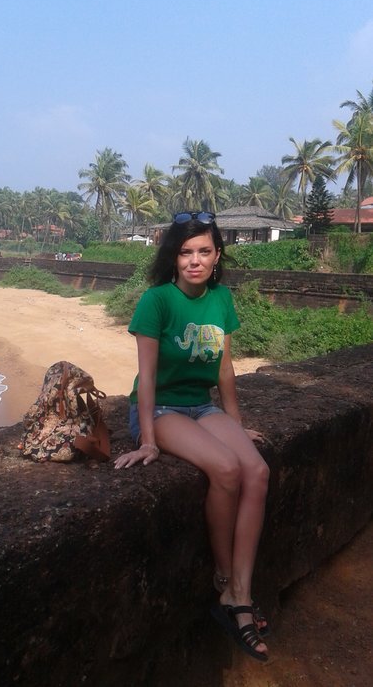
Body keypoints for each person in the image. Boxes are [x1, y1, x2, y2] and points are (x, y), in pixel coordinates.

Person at [114, 210, 270, 662]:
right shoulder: (157, 300)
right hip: (160, 408)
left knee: (257, 470)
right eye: (185, 252)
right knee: (226, 469)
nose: (195, 260)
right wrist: (147, 439)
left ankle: (241, 591)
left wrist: (235, 423)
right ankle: (226, 583)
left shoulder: (221, 299)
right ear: (174, 257)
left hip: (201, 406)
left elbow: (224, 369)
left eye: (204, 251)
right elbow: (146, 378)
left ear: (217, 255)